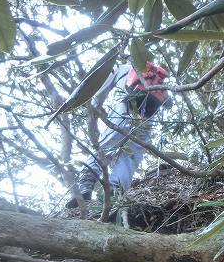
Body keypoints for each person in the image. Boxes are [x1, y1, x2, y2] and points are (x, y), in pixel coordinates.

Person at [66, 61, 170, 208]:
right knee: (130, 158)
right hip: (146, 121)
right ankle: (115, 193)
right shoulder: (154, 76)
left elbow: (100, 93)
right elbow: (166, 101)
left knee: (105, 148)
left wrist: (94, 112)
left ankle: (85, 185)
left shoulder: (121, 69)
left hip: (123, 111)